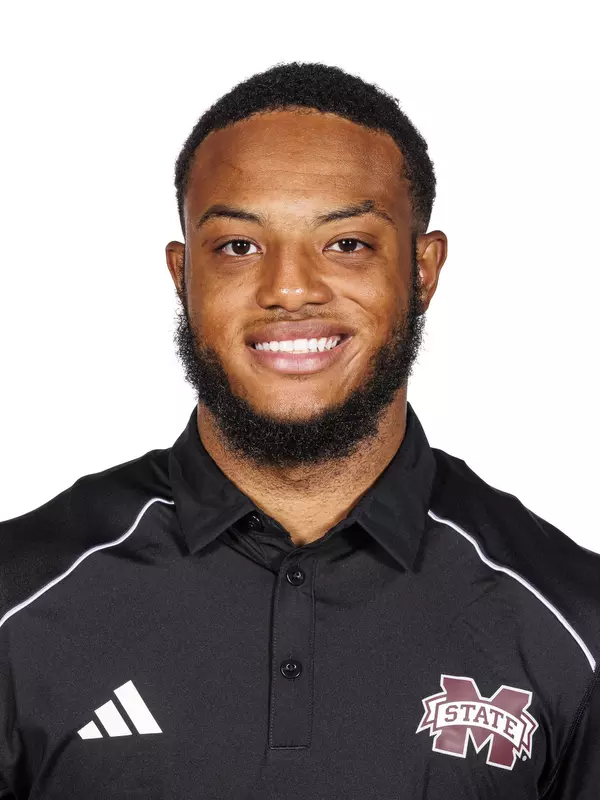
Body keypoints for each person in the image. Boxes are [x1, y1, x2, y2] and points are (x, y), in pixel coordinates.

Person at [1, 62, 598, 800]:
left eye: (347, 243)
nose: (289, 289)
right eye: (239, 247)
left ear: (423, 268)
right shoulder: (18, 600)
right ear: (182, 274)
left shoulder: (572, 621)